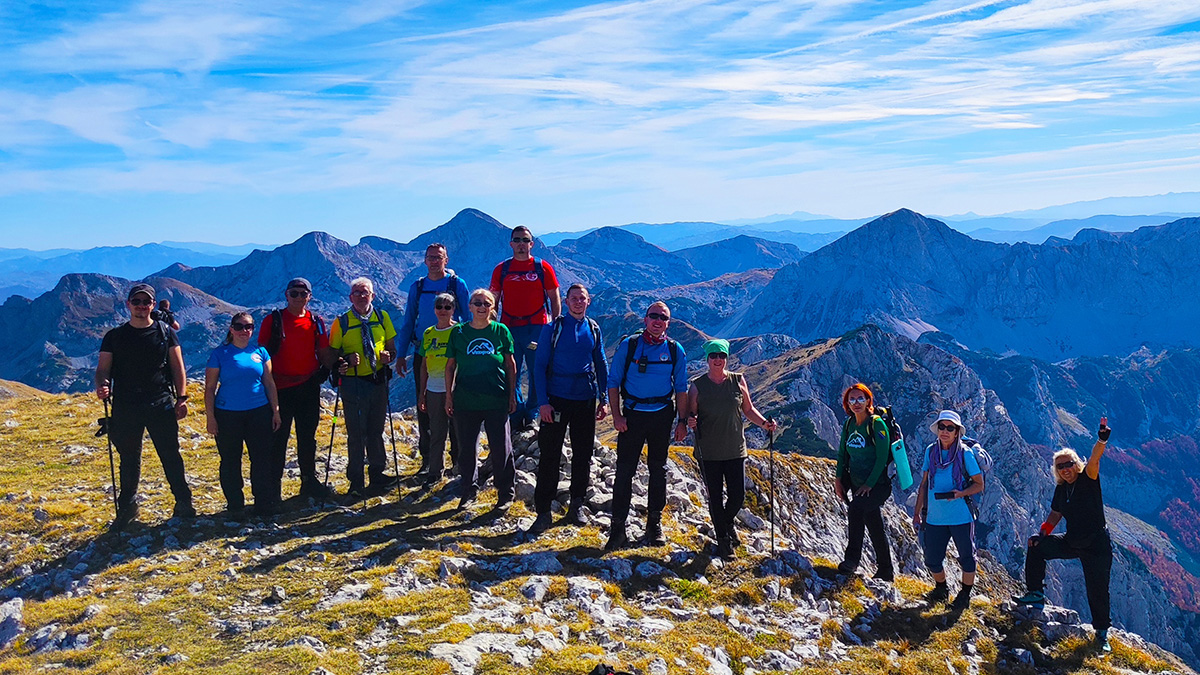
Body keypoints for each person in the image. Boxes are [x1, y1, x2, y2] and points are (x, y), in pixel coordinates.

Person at [94, 283, 195, 528]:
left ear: (152, 305)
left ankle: (183, 502)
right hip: (126, 405)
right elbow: (102, 370)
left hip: (159, 401)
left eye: (146, 302)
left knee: (170, 454)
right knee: (129, 458)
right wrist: (103, 385)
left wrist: (182, 398)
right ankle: (127, 507)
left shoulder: (165, 332)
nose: (141, 306)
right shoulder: (114, 336)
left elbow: (177, 367)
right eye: (136, 302)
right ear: (128, 305)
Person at [1015, 419, 1114, 653]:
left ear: (1076, 464)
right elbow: (1055, 513)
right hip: (1073, 541)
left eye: (1068, 464)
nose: (1065, 469)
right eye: (1060, 467)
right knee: (1036, 547)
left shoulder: (1088, 479)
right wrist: (1042, 533)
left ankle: (1101, 634)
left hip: (1097, 544)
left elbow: (1095, 459)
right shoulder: (1061, 488)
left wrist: (1101, 440)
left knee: (1097, 589)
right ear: (1056, 471)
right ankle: (1036, 593)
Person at [528, 284, 610, 535]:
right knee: (550, 454)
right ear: (566, 301)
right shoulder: (552, 328)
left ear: (589, 301)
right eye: (573, 298)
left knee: (583, 453)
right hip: (556, 399)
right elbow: (539, 366)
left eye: (582, 299)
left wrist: (603, 398)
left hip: (584, 398)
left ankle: (576, 505)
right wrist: (543, 402)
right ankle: (543, 512)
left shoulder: (593, 328)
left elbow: (601, 363)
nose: (577, 302)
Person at [606, 301, 688, 551]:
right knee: (624, 471)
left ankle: (654, 524)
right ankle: (617, 529)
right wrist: (617, 417)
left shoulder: (675, 350)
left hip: (662, 415)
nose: (658, 321)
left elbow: (681, 388)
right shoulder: (629, 345)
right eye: (653, 316)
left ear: (668, 323)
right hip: (632, 416)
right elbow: (613, 381)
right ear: (645, 319)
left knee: (658, 470)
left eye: (663, 318)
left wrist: (682, 421)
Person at [685, 339, 777, 557]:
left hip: (735, 449)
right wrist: (691, 420)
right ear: (707, 359)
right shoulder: (697, 386)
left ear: (727, 358)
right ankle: (724, 542)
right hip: (708, 452)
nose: (718, 359)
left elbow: (748, 409)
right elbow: (691, 413)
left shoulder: (738, 380)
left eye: (722, 355)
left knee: (737, 496)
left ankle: (725, 525)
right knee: (715, 497)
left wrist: (765, 423)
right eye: (714, 355)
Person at [396, 244, 470, 477]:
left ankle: (458, 460)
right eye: (431, 258)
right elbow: (409, 320)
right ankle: (429, 461)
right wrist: (400, 354)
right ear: (425, 261)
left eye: (439, 258)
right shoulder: (417, 287)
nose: (435, 261)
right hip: (424, 352)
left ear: (446, 259)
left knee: (456, 405)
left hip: (454, 355)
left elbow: (468, 318)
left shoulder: (457, 285)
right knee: (425, 406)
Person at [257, 277, 333, 500]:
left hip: (308, 386)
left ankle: (309, 482)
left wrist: (330, 368)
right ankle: (273, 490)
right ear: (286, 295)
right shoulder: (274, 320)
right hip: (280, 388)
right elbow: (262, 353)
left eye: (303, 294)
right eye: (294, 293)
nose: (298, 297)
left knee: (307, 437)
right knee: (278, 438)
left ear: (309, 297)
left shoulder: (316, 321)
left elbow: (323, 349)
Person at [328, 277, 400, 500]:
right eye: (357, 292)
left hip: (378, 380)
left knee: (376, 430)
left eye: (365, 292)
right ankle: (356, 480)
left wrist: (390, 356)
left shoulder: (382, 317)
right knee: (357, 433)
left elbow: (392, 349)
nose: (361, 296)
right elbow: (331, 354)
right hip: (353, 382)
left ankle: (377, 474)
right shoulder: (341, 322)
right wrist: (345, 360)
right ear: (350, 297)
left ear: (373, 296)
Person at [445, 289, 517, 510]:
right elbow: (450, 366)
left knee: (501, 447)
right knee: (466, 449)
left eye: (487, 303)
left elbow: (510, 364)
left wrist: (512, 394)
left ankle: (506, 494)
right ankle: (468, 491)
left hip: (496, 398)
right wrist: (449, 396)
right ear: (469, 306)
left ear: (493, 308)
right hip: (466, 400)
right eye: (477, 303)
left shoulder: (501, 331)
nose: (482, 307)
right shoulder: (458, 333)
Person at [205, 313, 282, 517]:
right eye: (239, 326)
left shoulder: (261, 352)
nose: (243, 330)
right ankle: (235, 505)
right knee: (230, 460)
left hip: (259, 411)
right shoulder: (219, 354)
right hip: (227, 414)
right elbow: (210, 388)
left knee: (262, 458)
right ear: (231, 329)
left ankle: (263, 503)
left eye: (248, 326)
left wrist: (275, 411)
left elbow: (269, 383)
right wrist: (210, 417)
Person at [489, 226, 561, 428]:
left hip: (537, 327)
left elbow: (554, 297)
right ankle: (516, 410)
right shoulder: (502, 269)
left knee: (537, 369)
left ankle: (533, 411)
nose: (521, 243)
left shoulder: (542, 267)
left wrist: (556, 324)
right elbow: (493, 299)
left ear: (532, 243)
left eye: (525, 240)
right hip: (509, 328)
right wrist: (492, 326)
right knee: (510, 369)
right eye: (517, 239)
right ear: (511, 243)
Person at [911, 410, 984, 609]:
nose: (945, 431)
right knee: (932, 559)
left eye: (950, 428)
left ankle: (964, 595)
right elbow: (924, 484)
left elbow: (979, 484)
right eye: (941, 427)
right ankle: (941, 588)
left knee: (967, 557)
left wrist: (959, 494)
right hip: (934, 517)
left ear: (957, 431)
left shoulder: (964, 453)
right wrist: (917, 512)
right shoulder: (930, 451)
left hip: (960, 516)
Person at [834, 383, 894, 581]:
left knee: (856, 510)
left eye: (861, 398)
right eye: (852, 399)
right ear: (847, 404)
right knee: (874, 524)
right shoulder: (849, 424)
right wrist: (838, 480)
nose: (856, 403)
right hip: (857, 483)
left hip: (877, 485)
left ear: (869, 400)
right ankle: (886, 571)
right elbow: (843, 453)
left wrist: (869, 484)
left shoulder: (876, 424)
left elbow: (882, 457)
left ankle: (851, 560)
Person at [416, 292, 458, 487]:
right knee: (437, 432)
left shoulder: (459, 331)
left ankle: (461, 468)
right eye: (439, 307)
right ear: (434, 309)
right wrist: (422, 392)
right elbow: (423, 365)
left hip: (457, 389)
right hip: (433, 389)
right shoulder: (428, 333)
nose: (443, 310)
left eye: (447, 307)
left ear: (453, 310)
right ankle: (435, 472)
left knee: (459, 432)